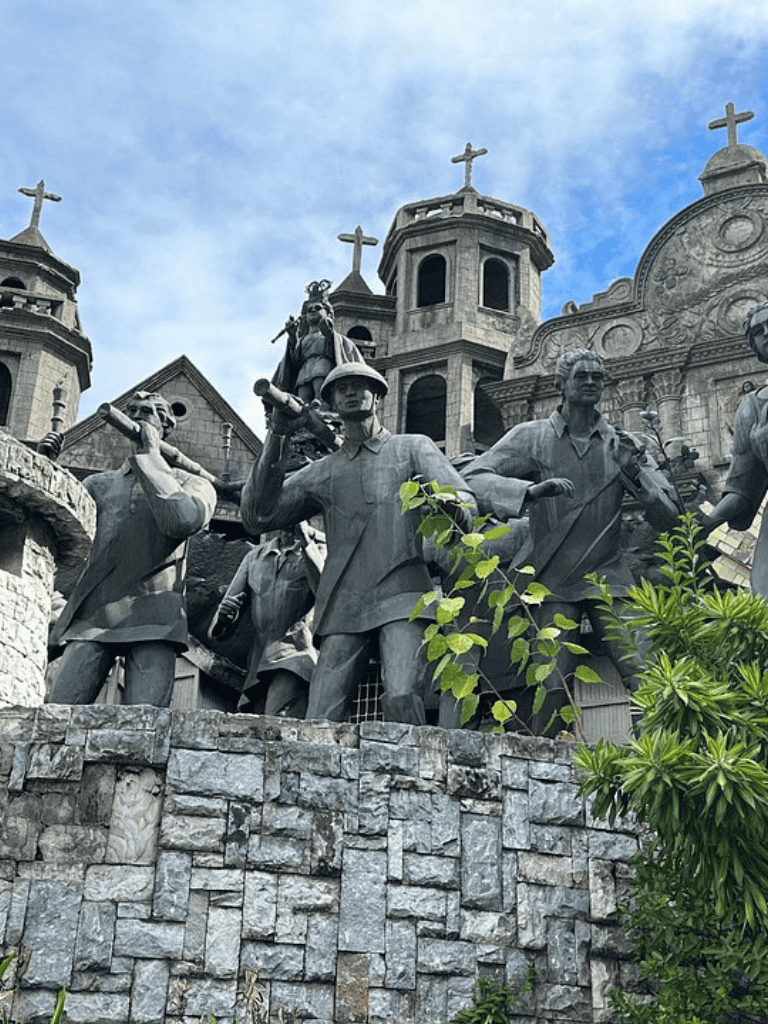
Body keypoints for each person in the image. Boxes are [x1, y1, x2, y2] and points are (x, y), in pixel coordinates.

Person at [241, 362, 478, 725]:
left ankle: (411, 776)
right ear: (333, 402)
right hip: (343, 600)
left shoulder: (412, 448)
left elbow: (465, 498)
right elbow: (259, 515)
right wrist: (278, 435)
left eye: (358, 386)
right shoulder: (324, 470)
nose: (349, 392)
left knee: (401, 695)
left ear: (379, 396)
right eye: (340, 388)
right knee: (322, 714)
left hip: (404, 594)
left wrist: (453, 505)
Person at [463, 348, 678, 734]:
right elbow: (475, 476)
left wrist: (636, 474)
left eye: (599, 376)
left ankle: (651, 765)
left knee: (644, 672)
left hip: (608, 576)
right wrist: (529, 491)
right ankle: (543, 766)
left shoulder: (623, 443)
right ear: (562, 384)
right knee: (552, 683)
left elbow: (669, 515)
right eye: (584, 376)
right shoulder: (533, 437)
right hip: (552, 580)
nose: (593, 382)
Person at [49, 391, 217, 706]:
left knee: (146, 724)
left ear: (165, 425)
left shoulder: (194, 484)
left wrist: (151, 456)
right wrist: (49, 470)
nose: (139, 416)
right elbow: (65, 539)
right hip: (94, 615)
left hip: (157, 616)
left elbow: (181, 521)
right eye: (135, 410)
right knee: (58, 713)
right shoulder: (99, 485)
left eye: (149, 412)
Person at [208, 523, 326, 718]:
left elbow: (327, 594)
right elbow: (217, 629)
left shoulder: (319, 548)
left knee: (278, 718)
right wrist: (224, 618)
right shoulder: (254, 557)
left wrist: (307, 544)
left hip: (295, 655)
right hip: (258, 661)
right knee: (257, 727)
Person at [699, 301, 768, 595]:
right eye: (758, 331)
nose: (767, 333)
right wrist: (702, 528)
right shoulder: (752, 406)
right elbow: (742, 487)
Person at [272, 280, 362, 405]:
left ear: (327, 313)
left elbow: (334, 351)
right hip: (305, 368)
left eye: (318, 308)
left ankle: (322, 405)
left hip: (322, 364)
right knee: (303, 395)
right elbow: (295, 359)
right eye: (309, 310)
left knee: (320, 389)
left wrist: (328, 331)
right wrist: (293, 337)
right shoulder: (303, 339)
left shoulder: (330, 336)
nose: (313, 311)